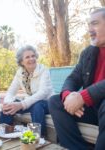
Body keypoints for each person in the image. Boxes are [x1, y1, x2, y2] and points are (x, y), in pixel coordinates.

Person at [49, 7, 105, 150]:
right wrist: (68, 96)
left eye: (95, 23)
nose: (89, 29)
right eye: (89, 25)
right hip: (92, 109)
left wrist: (83, 97)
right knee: (55, 101)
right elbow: (73, 78)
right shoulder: (88, 52)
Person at [0, 45, 54, 136]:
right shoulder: (19, 73)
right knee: (9, 106)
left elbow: (43, 93)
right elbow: (11, 92)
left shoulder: (44, 70)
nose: (32, 59)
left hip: (47, 102)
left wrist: (21, 104)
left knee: (37, 105)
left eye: (33, 56)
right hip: (30, 102)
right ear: (22, 62)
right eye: (27, 57)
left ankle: (39, 138)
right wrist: (7, 103)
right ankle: (5, 134)